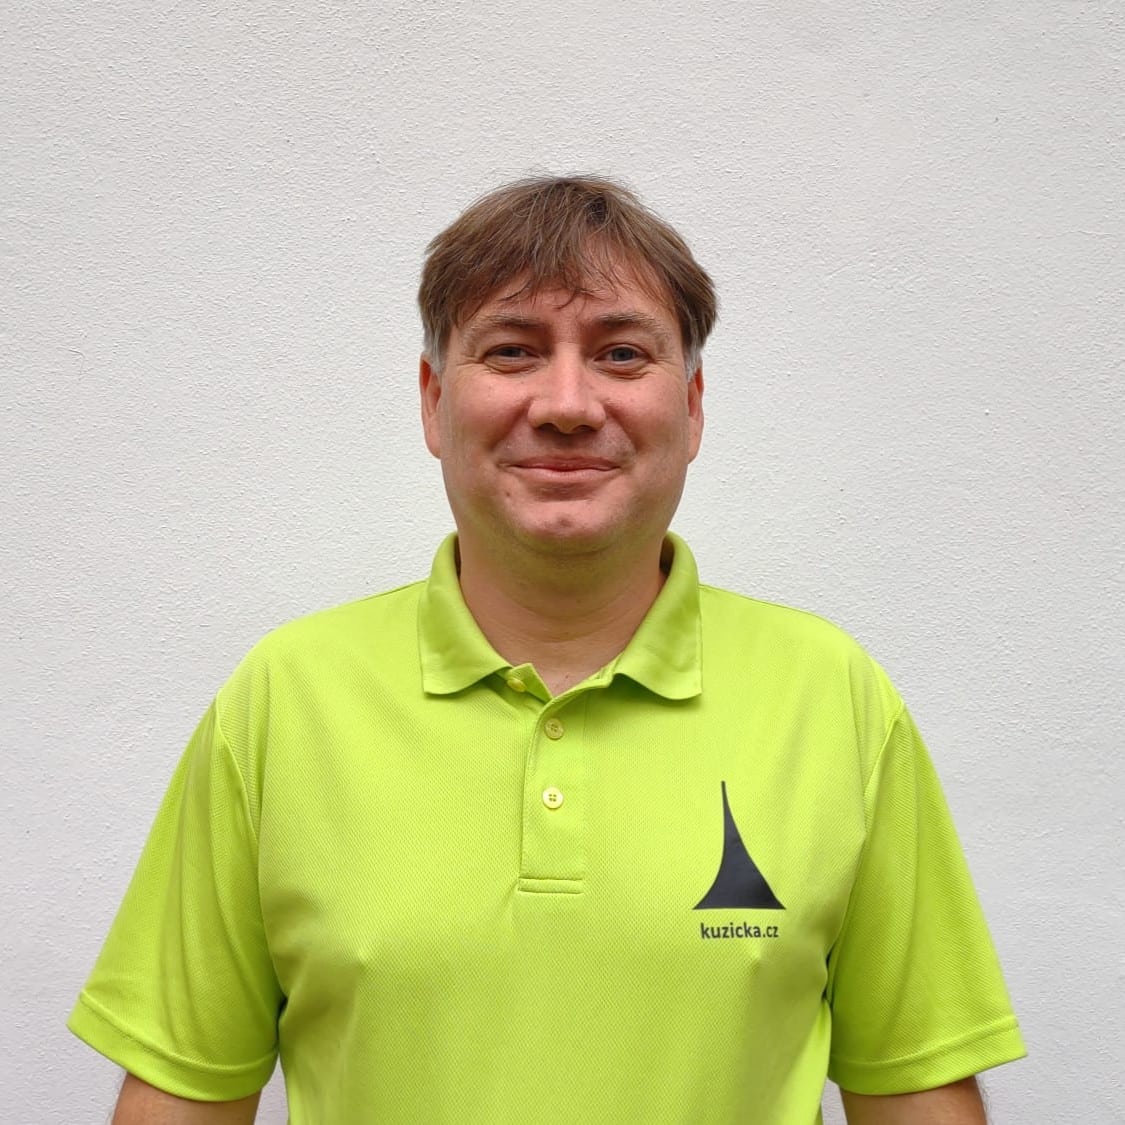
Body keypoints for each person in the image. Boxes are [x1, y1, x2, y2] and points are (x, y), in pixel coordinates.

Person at [69, 175, 1025, 1124]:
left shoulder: (831, 696)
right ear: (433, 400)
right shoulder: (285, 699)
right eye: (512, 351)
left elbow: (915, 1095)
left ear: (692, 406)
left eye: (620, 353)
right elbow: (182, 1099)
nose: (567, 404)